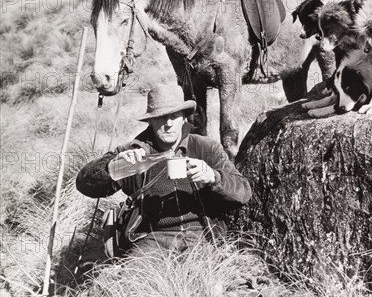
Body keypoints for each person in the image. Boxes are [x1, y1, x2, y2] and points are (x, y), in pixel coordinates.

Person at [76, 83, 252, 255]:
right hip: (149, 240)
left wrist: (213, 177)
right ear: (150, 121)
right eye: (161, 117)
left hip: (201, 236)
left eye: (174, 116)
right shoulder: (133, 153)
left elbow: (243, 192)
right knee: (135, 282)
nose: (168, 123)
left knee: (210, 280)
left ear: (184, 118)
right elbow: (85, 185)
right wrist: (112, 167)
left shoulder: (205, 148)